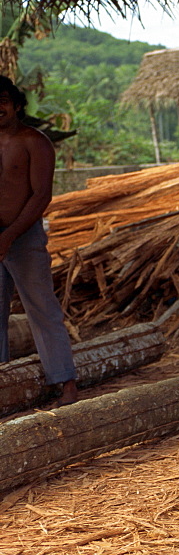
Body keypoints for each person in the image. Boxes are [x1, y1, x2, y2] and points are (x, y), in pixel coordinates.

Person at [0, 76, 77, 405]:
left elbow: (41, 195)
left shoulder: (35, 141)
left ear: (17, 105)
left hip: (24, 235)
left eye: (2, 101)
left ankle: (67, 384)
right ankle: (4, 387)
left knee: (42, 310)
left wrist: (10, 234)